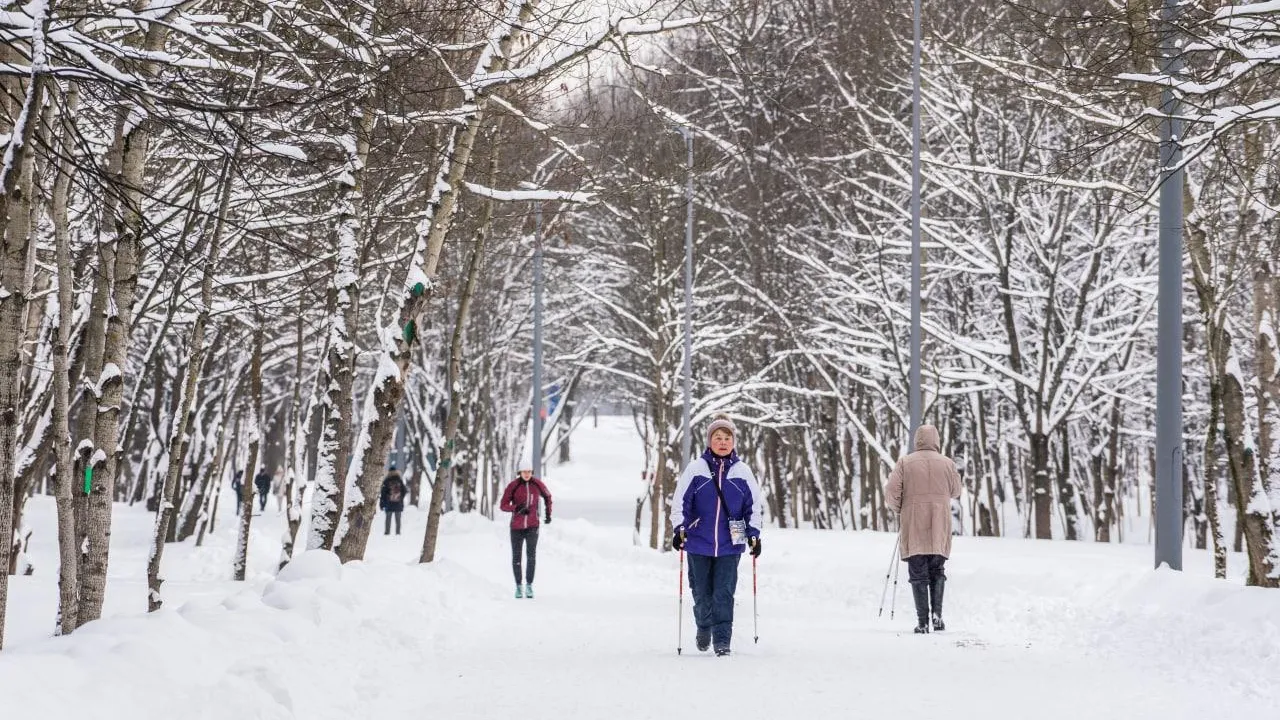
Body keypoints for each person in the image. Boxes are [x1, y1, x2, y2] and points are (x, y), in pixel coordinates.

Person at [671, 415, 763, 657]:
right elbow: (680, 501)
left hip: (731, 543)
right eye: (717, 438)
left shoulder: (743, 472)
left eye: (727, 438)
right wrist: (679, 528)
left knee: (723, 592)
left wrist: (754, 534)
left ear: (734, 441)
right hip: (698, 541)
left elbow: (754, 506)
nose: (722, 442)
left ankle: (722, 640)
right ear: (709, 440)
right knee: (701, 592)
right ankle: (703, 626)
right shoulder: (696, 469)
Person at [886, 424, 963, 634]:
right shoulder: (947, 463)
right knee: (937, 569)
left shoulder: (905, 463)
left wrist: (900, 508)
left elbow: (891, 492)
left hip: (914, 522)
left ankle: (922, 622)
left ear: (917, 440)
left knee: (918, 571)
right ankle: (937, 615)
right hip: (940, 522)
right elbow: (956, 490)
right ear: (936, 440)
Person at [499, 464, 553, 599]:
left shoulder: (537, 484)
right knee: (516, 558)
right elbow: (503, 505)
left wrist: (548, 514)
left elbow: (548, 496)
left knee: (531, 556)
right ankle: (518, 586)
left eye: (529, 471)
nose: (527, 474)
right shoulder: (513, 486)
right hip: (516, 527)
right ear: (520, 472)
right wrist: (517, 508)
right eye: (524, 472)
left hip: (532, 526)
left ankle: (529, 586)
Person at [380, 465, 407, 535]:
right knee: (398, 519)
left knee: (388, 519)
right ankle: (398, 533)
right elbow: (404, 490)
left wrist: (382, 504)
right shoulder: (399, 480)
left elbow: (383, 493)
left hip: (389, 503)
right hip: (398, 503)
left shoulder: (386, 480)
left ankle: (387, 532)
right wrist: (400, 498)